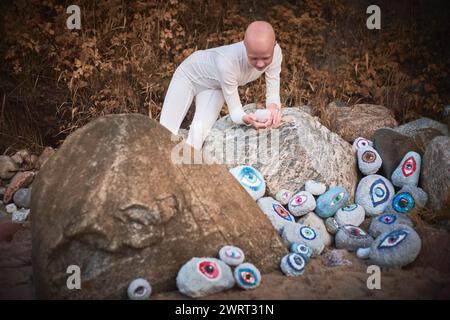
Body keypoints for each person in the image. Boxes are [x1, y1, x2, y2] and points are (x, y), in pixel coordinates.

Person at [159, 21, 282, 150]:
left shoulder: (276, 53)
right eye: (254, 58)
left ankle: (183, 168)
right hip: (188, 76)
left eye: (266, 58)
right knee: (164, 133)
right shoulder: (227, 62)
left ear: (274, 46)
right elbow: (235, 110)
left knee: (196, 139)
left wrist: (273, 109)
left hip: (215, 86)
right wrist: (245, 117)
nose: (260, 64)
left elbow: (272, 94)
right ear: (244, 45)